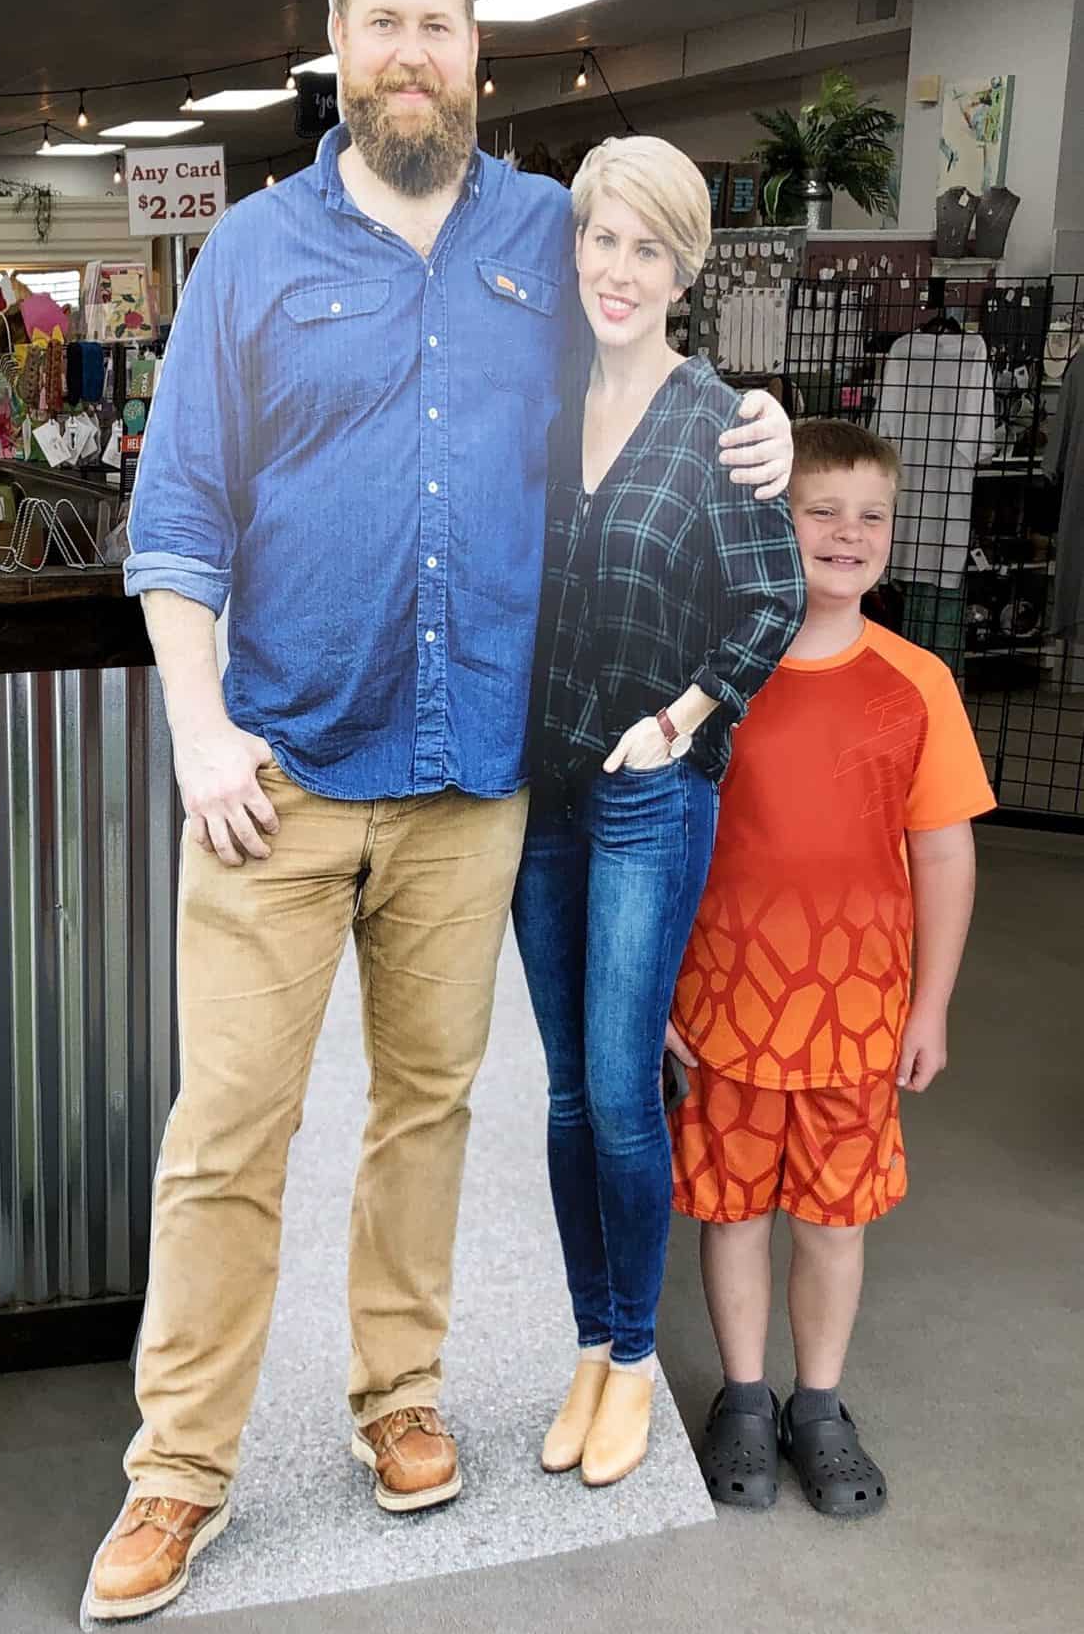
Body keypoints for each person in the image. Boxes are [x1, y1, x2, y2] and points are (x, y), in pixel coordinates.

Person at [83, 0, 796, 1623]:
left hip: (475, 775)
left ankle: (399, 1394)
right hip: (277, 778)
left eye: (440, 26)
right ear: (339, 47)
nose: (413, 52)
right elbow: (177, 519)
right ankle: (179, 1469)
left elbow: (644, 328)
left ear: (478, 54)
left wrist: (758, 417)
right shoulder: (253, 254)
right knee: (228, 1131)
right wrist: (197, 726)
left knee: (425, 1111)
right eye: (384, 23)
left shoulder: (545, 236)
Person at [511, 136, 806, 1492]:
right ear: (573, 247)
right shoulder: (543, 401)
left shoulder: (720, 423)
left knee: (625, 1089)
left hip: (647, 796)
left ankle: (634, 1351)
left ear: (685, 270)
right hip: (543, 793)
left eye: (647, 247)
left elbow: (771, 598)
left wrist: (681, 719)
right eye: (601, 238)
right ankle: (588, 1340)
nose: (617, 269)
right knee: (567, 1092)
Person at [666, 419, 996, 1518]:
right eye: (821, 511)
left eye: (871, 516)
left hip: (858, 1015)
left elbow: (941, 851)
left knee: (833, 1220)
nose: (848, 533)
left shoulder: (916, 682)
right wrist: (656, 987)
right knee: (731, 1213)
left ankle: (817, 1403)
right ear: (773, 522)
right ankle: (743, 1399)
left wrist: (930, 1005)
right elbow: (659, 837)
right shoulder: (713, 679)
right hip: (722, 1004)